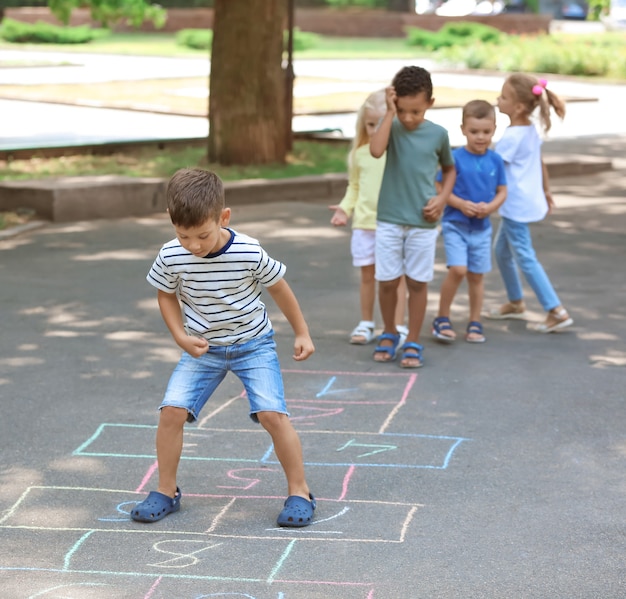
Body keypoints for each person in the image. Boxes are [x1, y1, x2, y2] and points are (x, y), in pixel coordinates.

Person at [131, 168, 316, 527]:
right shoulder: (172, 255)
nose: (194, 246)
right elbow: (165, 294)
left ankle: (300, 491)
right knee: (171, 411)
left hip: (253, 343)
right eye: (184, 236)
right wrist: (180, 336)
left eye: (202, 234)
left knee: (271, 414)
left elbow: (279, 287)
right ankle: (166, 492)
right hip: (203, 347)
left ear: (223, 217)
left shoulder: (248, 251)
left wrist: (302, 332)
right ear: (172, 223)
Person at [369, 65, 456, 368]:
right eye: (403, 110)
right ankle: (390, 332)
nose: (408, 118)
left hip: (424, 222)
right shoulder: (390, 125)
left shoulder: (438, 134)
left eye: (415, 111)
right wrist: (389, 113)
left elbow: (449, 170)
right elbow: (376, 151)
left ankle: (414, 339)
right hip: (390, 218)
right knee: (388, 281)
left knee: (418, 283)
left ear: (430, 103)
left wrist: (443, 199)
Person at [486, 73, 573, 333]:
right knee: (502, 251)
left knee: (525, 256)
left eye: (503, 97)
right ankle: (515, 302)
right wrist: (546, 190)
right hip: (524, 200)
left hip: (516, 205)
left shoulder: (512, 136)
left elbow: (494, 169)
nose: (498, 100)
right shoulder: (528, 130)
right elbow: (538, 162)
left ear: (519, 107)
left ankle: (555, 310)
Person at [329, 89, 408, 346]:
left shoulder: (400, 152)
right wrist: (344, 209)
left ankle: (397, 324)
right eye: (370, 124)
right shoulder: (359, 154)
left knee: (397, 278)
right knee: (367, 276)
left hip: (393, 225)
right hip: (365, 225)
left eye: (381, 123)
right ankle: (366, 323)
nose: (375, 130)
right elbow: (354, 187)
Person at [432, 100, 507, 344]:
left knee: (476, 276)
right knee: (458, 270)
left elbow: (502, 191)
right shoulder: (454, 158)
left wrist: (491, 208)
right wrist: (460, 204)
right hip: (456, 225)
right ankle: (442, 317)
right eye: (474, 131)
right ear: (463, 129)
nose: (480, 137)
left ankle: (475, 322)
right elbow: (440, 186)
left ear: (494, 129)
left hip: (482, 229)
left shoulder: (495, 160)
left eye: (486, 132)